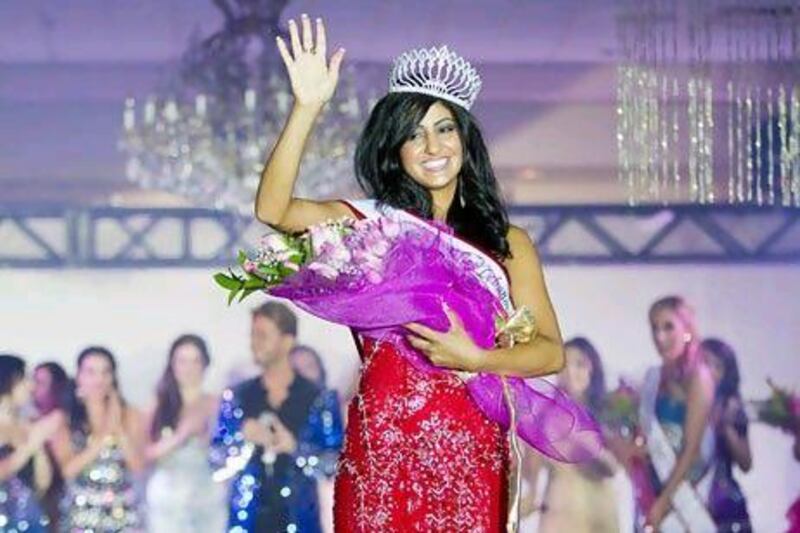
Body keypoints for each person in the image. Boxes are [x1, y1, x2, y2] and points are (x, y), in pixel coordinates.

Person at [256, 14, 567, 531]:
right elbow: (274, 209)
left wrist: (477, 356)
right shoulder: (373, 225)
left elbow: (550, 351)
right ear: (396, 150)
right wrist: (306, 109)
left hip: (468, 454)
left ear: (465, 140)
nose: (432, 148)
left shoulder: (508, 245)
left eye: (444, 129)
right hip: (380, 456)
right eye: (414, 135)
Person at [210, 301, 344, 532]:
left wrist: (296, 448)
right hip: (247, 522)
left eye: (263, 335)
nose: (254, 343)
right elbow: (216, 460)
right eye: (253, 335)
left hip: (301, 521)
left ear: (287, 340)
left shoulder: (319, 398)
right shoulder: (238, 396)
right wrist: (243, 441)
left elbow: (335, 464)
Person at [521, 338, 620, 532]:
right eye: (564, 364)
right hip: (561, 514)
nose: (571, 372)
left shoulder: (608, 414)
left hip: (601, 515)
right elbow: (530, 488)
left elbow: (613, 468)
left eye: (580, 364)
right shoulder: (541, 418)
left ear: (593, 371)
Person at [638, 296, 717, 532]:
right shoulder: (654, 379)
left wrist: (664, 502)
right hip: (653, 489)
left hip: (688, 494)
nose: (660, 337)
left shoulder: (699, 378)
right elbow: (646, 437)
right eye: (655, 328)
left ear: (687, 329)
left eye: (668, 327)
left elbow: (692, 450)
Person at [51, 346, 145, 532]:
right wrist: (103, 437)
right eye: (91, 372)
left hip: (122, 515)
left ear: (113, 377)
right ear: (79, 376)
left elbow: (138, 466)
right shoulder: (64, 419)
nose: (99, 379)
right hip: (81, 515)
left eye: (105, 372)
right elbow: (68, 470)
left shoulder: (130, 414)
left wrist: (117, 426)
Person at [145, 334, 226, 533]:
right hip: (167, 498)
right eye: (182, 361)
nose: (189, 368)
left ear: (205, 364)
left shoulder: (217, 404)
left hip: (207, 496)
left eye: (195, 361)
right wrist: (182, 434)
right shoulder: (158, 405)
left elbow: (227, 452)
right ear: (172, 364)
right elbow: (145, 454)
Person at [0, 354, 61, 532]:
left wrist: (39, 446)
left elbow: (42, 484)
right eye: (25, 378)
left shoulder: (28, 425)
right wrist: (29, 447)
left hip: (31, 519)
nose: (31, 385)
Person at [699, 338, 753, 532]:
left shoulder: (731, 407)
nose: (709, 371)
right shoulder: (678, 403)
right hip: (687, 500)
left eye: (717, 366)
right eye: (703, 362)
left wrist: (726, 426)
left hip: (724, 504)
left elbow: (746, 463)